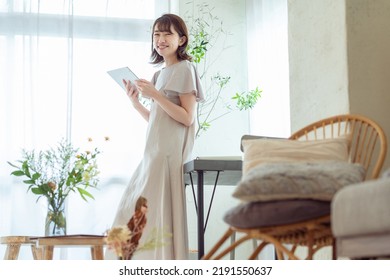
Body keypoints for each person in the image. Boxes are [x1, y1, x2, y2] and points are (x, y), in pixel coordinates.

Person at [107, 13, 204, 260]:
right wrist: (135, 102)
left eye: (167, 34)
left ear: (181, 40)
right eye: (156, 34)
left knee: (143, 214)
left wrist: (156, 95)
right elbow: (157, 120)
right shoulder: (159, 74)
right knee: (137, 214)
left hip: (168, 155)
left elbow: (187, 117)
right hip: (153, 153)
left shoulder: (185, 68)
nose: (160, 39)